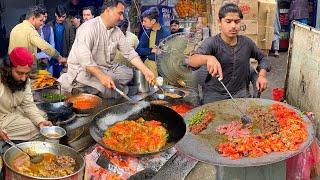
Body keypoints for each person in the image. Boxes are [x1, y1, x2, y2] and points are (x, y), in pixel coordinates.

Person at [57, 0, 155, 98]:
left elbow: (129, 53)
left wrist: (146, 71)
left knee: (128, 73)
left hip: (105, 68)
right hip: (84, 70)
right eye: (120, 13)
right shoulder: (88, 28)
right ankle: (88, 88)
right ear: (108, 10)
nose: (122, 18)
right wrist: (102, 76)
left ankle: (104, 85)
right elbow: (85, 61)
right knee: (110, 85)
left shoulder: (116, 31)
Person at [187, 3, 269, 104]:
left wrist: (262, 75)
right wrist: (208, 58)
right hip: (215, 95)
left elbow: (263, 58)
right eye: (228, 21)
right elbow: (191, 60)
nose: (233, 26)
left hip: (240, 93)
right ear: (219, 22)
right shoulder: (211, 43)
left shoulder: (247, 43)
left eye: (237, 21)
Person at [0, 47, 52, 148]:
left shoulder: (24, 79)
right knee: (32, 128)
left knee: (43, 117)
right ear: (9, 68)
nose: (24, 78)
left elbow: (28, 104)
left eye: (27, 73)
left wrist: (40, 122)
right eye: (19, 73)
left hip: (14, 112)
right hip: (2, 118)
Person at [135, 7, 171, 76]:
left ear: (153, 21)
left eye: (145, 21)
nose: (143, 24)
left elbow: (170, 53)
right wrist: (152, 50)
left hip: (163, 69)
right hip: (148, 68)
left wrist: (162, 51)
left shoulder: (166, 33)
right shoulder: (146, 33)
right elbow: (138, 50)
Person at [48, 4, 76, 77]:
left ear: (66, 15)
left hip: (65, 57)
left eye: (63, 17)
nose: (61, 18)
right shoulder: (49, 25)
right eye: (59, 16)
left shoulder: (69, 25)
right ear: (55, 14)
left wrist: (68, 58)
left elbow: (72, 43)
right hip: (52, 58)